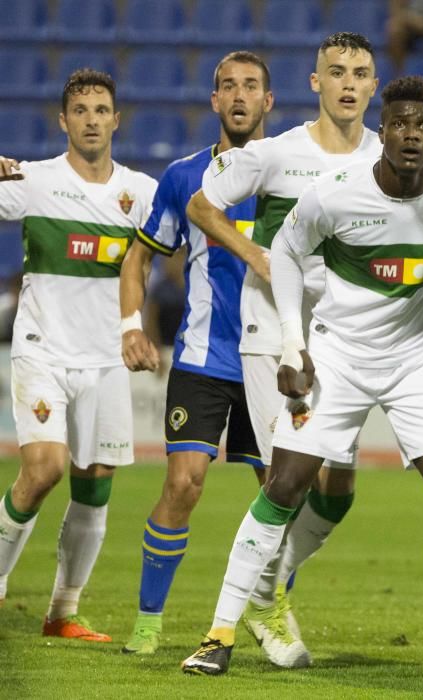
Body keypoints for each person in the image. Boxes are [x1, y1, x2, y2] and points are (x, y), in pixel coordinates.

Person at [180, 75, 423, 682]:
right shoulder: (335, 194)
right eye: (401, 125)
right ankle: (218, 634)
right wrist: (291, 343)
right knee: (283, 485)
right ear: (383, 132)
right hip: (338, 358)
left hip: (418, 361)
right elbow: (281, 254)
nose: (412, 135)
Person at [185, 32, 382, 665]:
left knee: (339, 488)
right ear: (315, 83)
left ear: (372, 86)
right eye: (336, 72)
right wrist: (256, 256)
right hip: (273, 335)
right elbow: (202, 204)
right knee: (287, 478)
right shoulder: (276, 153)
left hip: (346, 341)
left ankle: (267, 585)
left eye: (359, 72)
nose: (348, 83)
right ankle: (244, 616)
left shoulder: (388, 158)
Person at [117, 50, 273, 657]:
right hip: (204, 359)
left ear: (268, 101)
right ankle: (149, 620)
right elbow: (141, 256)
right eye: (227, 86)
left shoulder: (292, 173)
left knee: (285, 493)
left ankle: (268, 605)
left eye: (251, 86)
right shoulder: (185, 178)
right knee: (184, 484)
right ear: (214, 102)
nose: (238, 96)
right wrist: (133, 324)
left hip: (272, 362)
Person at [0, 69, 156, 642]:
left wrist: (136, 329)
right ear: (62, 121)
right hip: (43, 350)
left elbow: (151, 260)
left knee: (95, 482)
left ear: (117, 120)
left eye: (101, 110)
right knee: (44, 469)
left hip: (108, 358)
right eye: (80, 110)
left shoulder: (140, 193)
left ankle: (62, 612)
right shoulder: (32, 181)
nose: (91, 119)